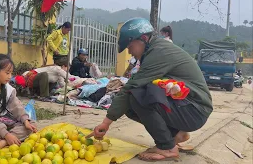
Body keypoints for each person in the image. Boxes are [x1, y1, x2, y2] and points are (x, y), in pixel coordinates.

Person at [88, 18, 212, 161]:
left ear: (144, 39)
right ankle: (176, 135)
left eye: (130, 47)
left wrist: (105, 123)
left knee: (135, 96)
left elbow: (132, 87)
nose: (130, 52)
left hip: (195, 110)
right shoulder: (156, 49)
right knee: (129, 103)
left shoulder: (159, 52)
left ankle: (167, 147)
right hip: (189, 107)